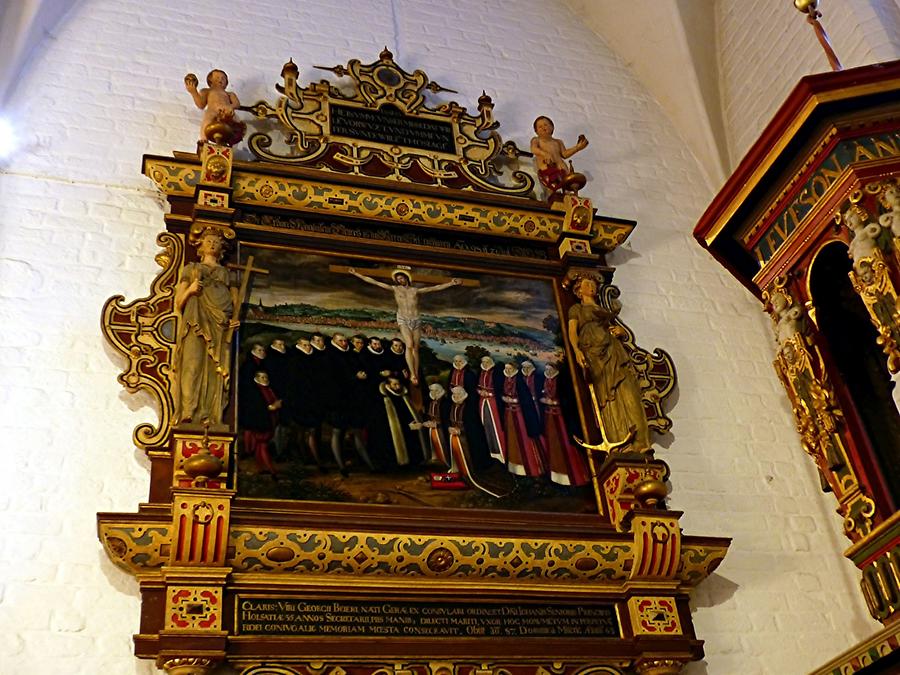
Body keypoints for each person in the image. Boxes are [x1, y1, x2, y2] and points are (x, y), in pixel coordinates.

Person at [568, 276, 650, 451]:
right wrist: (577, 351)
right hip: (595, 354)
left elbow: (615, 328)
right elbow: (572, 332)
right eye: (587, 284)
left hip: (614, 350)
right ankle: (622, 443)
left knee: (629, 393)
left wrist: (620, 331)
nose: (592, 287)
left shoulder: (605, 309)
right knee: (608, 398)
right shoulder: (577, 309)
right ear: (579, 290)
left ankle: (640, 442)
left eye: (593, 285)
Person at [348, 267, 462, 384]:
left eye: (402, 278)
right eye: (398, 279)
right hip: (403, 319)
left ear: (406, 278)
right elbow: (375, 282)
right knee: (409, 344)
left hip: (416, 319)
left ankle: (416, 373)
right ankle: (412, 374)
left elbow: (434, 288)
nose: (400, 280)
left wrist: (451, 283)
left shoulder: (415, 290)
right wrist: (357, 274)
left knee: (416, 349)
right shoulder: (395, 289)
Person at [172, 228, 239, 426]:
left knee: (215, 369)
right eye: (208, 240)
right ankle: (188, 411)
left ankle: (210, 415)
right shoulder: (191, 268)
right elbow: (178, 302)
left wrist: (234, 320)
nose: (212, 244)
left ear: (222, 248)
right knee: (191, 365)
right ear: (201, 245)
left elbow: (235, 302)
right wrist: (191, 290)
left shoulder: (227, 273)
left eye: (216, 242)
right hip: (195, 319)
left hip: (220, 323)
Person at [540, 363, 589, 487]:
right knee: (553, 445)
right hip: (549, 418)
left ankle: (575, 476)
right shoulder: (546, 380)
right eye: (547, 370)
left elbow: (568, 399)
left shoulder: (561, 381)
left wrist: (554, 401)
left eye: (551, 370)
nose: (549, 372)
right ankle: (557, 476)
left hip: (561, 419)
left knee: (565, 444)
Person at [501, 362, 546, 478]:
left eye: (510, 368)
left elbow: (525, 398)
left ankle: (532, 466)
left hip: (520, 415)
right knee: (512, 439)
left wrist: (516, 401)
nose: (509, 371)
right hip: (509, 415)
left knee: (525, 439)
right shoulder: (505, 379)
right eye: (507, 369)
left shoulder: (519, 381)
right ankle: (516, 467)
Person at [238, 370, 281, 478]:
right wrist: (271, 407)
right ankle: (272, 471)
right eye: (262, 377)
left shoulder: (268, 389)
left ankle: (262, 468)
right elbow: (256, 407)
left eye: (265, 377)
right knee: (263, 446)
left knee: (259, 446)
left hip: (268, 421)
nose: (264, 379)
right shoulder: (254, 391)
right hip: (260, 422)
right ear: (256, 378)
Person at [530, 116, 588, 194]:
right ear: (536, 131)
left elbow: (564, 154)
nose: (543, 128)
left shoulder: (558, 142)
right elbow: (534, 149)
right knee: (552, 190)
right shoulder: (536, 140)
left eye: (546, 125)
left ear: (552, 127)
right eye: (540, 127)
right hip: (548, 169)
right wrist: (544, 153)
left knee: (567, 188)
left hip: (562, 168)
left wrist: (577, 147)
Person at [184, 69, 243, 143]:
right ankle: (204, 140)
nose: (220, 79)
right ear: (210, 81)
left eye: (223, 78)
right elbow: (201, 105)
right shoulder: (206, 91)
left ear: (226, 83)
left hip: (226, 111)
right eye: (217, 77)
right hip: (212, 110)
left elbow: (237, 104)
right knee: (207, 121)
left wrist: (231, 106)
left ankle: (230, 140)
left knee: (232, 124)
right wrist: (193, 92)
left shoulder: (229, 94)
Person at [476, 355, 506, 462]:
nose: (485, 364)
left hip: (493, 403)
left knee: (496, 426)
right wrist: (480, 392)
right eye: (483, 362)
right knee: (486, 425)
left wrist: (489, 393)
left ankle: (501, 453)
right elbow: (478, 386)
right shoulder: (481, 372)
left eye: (487, 362)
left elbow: (499, 388)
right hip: (483, 402)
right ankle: (490, 452)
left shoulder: (496, 373)